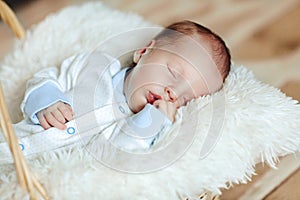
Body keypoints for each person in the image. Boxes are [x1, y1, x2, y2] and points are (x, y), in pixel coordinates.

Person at [1, 20, 231, 161]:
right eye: (173, 73)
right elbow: (44, 78)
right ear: (143, 53)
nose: (173, 92)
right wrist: (46, 102)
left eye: (186, 97)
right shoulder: (96, 67)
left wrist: (152, 121)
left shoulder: (144, 127)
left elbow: (121, 157)